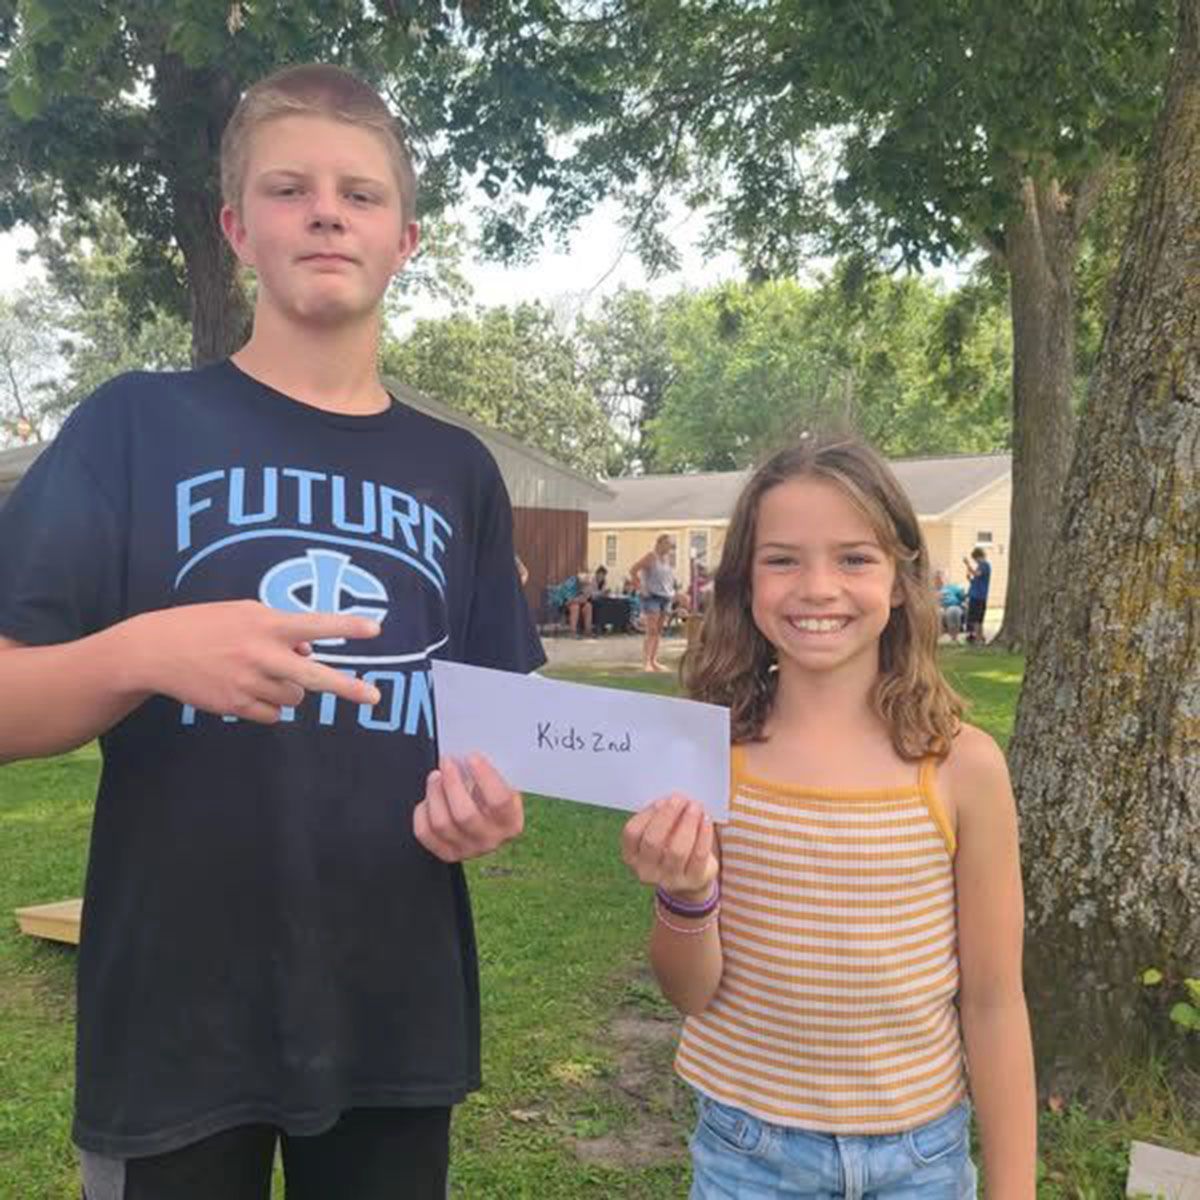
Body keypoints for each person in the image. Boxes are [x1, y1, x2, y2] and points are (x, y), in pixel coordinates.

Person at [0, 64, 544, 1200]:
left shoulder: (458, 472)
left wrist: (488, 810)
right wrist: (146, 651)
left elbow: (495, 744)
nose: (327, 214)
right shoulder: (134, 425)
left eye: (360, 193)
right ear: (237, 229)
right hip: (174, 1018)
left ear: (405, 240)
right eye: (290, 189)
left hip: (392, 1012)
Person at [620, 436, 1035, 1198]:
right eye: (782, 559)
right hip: (748, 1156)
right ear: (745, 581)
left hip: (921, 1162)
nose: (818, 588)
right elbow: (688, 993)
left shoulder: (963, 766)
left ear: (902, 580)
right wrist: (686, 893)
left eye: (854, 558)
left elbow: (995, 1001)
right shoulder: (709, 754)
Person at [628, 533, 679, 672]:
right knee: (652, 630)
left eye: (671, 545)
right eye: (668, 544)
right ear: (660, 543)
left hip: (665, 597)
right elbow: (633, 570)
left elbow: (669, 578)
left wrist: (674, 593)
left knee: (659, 631)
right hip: (652, 597)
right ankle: (646, 662)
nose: (670, 547)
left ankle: (654, 660)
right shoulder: (651, 557)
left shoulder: (668, 559)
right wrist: (640, 587)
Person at [964, 546, 992, 643]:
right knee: (976, 618)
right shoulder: (981, 566)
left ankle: (978, 638)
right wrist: (970, 579)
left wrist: (967, 564)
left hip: (978, 596)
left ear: (979, 556)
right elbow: (977, 581)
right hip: (976, 595)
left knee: (977, 619)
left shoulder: (985, 565)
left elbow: (977, 574)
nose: (975, 561)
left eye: (975, 559)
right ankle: (979, 637)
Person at [933, 568, 967, 642]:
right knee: (939, 612)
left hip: (954, 606)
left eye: (941, 577)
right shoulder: (932, 590)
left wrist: (964, 600)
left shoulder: (952, 587)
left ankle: (954, 638)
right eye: (937, 578)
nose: (939, 579)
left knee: (952, 611)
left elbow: (963, 597)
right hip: (939, 607)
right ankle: (937, 638)